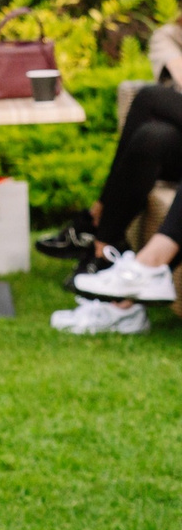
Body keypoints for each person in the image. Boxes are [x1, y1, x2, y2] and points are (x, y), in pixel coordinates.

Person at [44, 16, 182, 331]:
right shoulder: (170, 36)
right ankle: (118, 258)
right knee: (152, 136)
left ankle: (107, 249)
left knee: (149, 102)